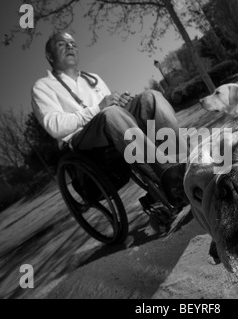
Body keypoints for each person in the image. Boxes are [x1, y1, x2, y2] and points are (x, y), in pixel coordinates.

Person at [31, 31, 187, 205]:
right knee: (110, 114)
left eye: (73, 44)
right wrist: (98, 108)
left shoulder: (93, 79)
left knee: (150, 97)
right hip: (81, 140)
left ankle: (186, 165)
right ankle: (172, 180)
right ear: (49, 55)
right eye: (62, 44)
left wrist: (121, 102)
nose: (70, 46)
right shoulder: (43, 87)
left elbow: (112, 109)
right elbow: (55, 127)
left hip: (110, 122)